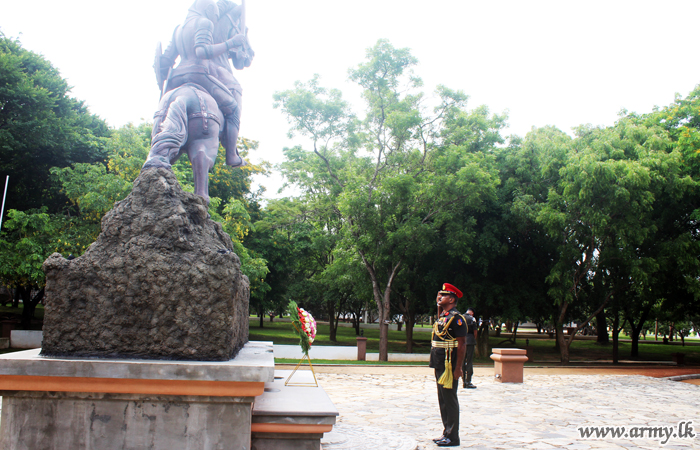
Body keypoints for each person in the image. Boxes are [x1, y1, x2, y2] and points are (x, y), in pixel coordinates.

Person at [155, 0, 248, 167]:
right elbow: (202, 51)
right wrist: (231, 43)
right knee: (233, 108)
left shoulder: (179, 28)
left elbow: (166, 60)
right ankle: (232, 155)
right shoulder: (204, 23)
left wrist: (159, 68)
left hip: (176, 78)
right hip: (198, 73)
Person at [429, 283, 467, 447]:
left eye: (443, 295)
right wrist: (438, 303)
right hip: (440, 362)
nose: (439, 297)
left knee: (449, 399)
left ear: (451, 299)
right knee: (442, 399)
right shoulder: (445, 316)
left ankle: (453, 437)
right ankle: (447, 432)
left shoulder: (457, 318)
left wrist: (459, 368)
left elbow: (462, 344)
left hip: (450, 365)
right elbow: (440, 324)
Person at [462, 307, 477, 389]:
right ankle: (468, 381)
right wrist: (474, 339)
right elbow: (475, 331)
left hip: (461, 342)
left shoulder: (460, 317)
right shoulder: (472, 319)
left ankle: (463, 380)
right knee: (469, 361)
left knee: (462, 361)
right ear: (472, 313)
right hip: (470, 341)